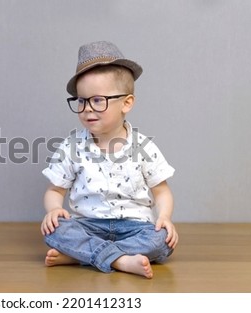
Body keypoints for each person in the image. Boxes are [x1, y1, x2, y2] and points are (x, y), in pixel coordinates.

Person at [40, 41, 178, 279]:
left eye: (97, 100)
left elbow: (162, 191)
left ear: (127, 103)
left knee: (162, 240)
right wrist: (53, 209)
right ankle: (122, 260)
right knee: (55, 230)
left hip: (134, 228)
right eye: (81, 101)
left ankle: (80, 256)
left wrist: (164, 217)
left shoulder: (143, 146)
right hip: (88, 226)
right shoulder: (72, 146)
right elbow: (55, 190)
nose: (86, 109)